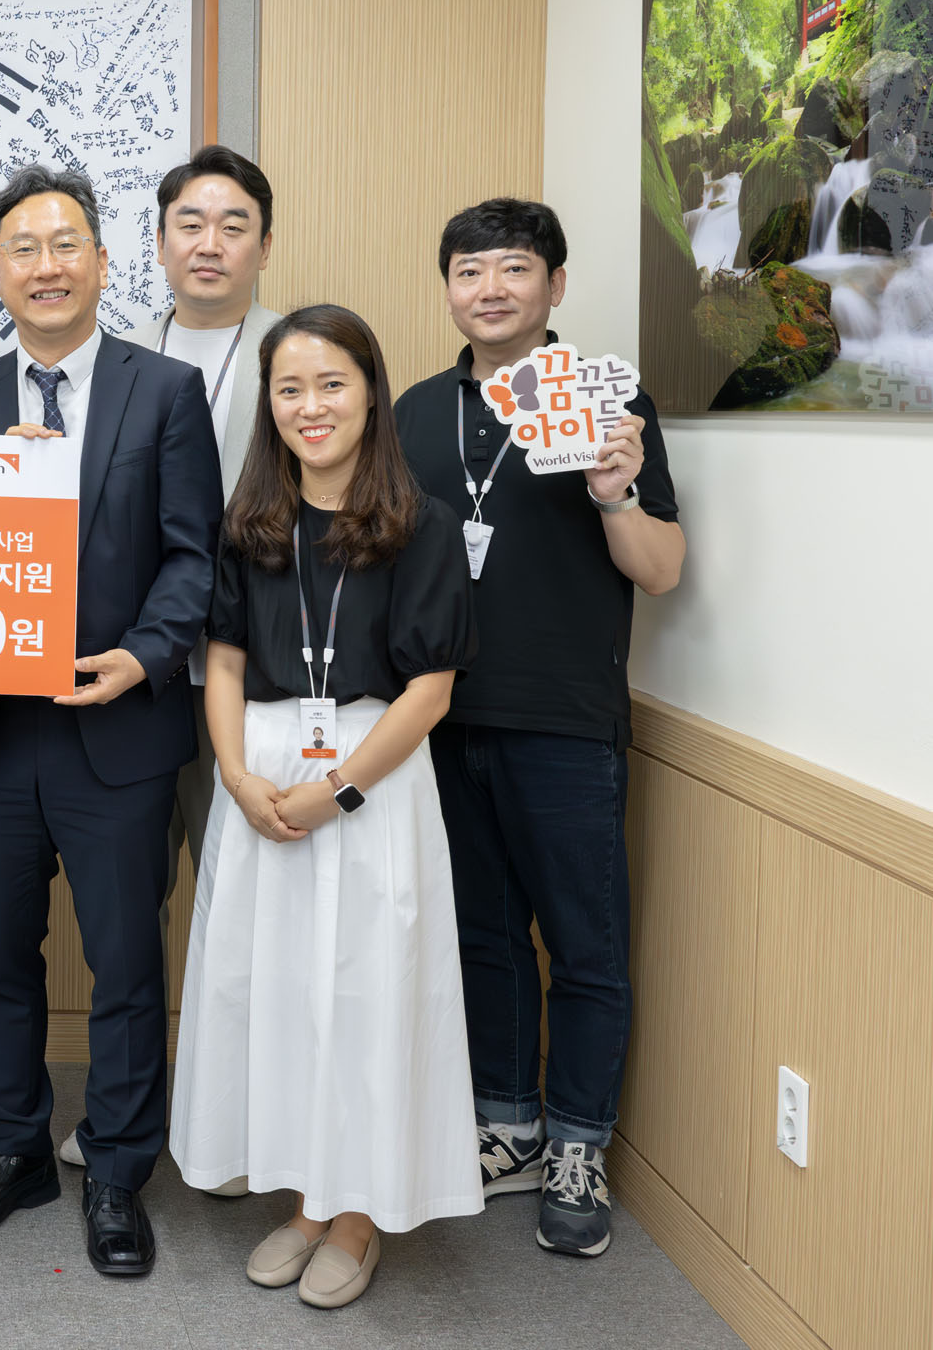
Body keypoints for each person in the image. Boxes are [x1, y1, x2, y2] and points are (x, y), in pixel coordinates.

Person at [0, 165, 220, 1278]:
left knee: (126, 962)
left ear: (102, 260)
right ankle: (14, 1150)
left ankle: (118, 1171)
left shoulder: (164, 390)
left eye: (65, 246)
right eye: (23, 249)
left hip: (120, 730)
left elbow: (195, 555)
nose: (45, 267)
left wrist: (142, 658)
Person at [168, 303, 483, 1310]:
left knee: (364, 996)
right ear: (269, 404)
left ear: (371, 394)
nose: (312, 406)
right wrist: (234, 773)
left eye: (332, 384)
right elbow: (222, 658)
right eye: (290, 388)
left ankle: (356, 1215)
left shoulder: (424, 524)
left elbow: (431, 690)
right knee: (278, 993)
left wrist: (340, 787)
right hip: (263, 775)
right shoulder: (250, 522)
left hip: (372, 781)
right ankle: (307, 1200)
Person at [394, 198, 683, 1259]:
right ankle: (508, 1127)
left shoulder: (606, 401)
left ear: (555, 285)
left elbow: (662, 569)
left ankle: (577, 1147)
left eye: (515, 268)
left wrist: (614, 493)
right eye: (469, 270)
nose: (491, 288)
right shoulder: (414, 412)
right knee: (482, 935)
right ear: (449, 289)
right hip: (438, 716)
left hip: (565, 719)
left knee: (585, 946)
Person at [57, 145, 283, 1195]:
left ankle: (242, 1124)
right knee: (129, 913)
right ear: (153, 243)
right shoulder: (110, 358)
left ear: (264, 246)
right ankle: (128, 1114)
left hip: (262, 678)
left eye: (234, 225)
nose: (210, 243)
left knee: (246, 905)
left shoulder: (297, 351)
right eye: (190, 223)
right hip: (134, 678)